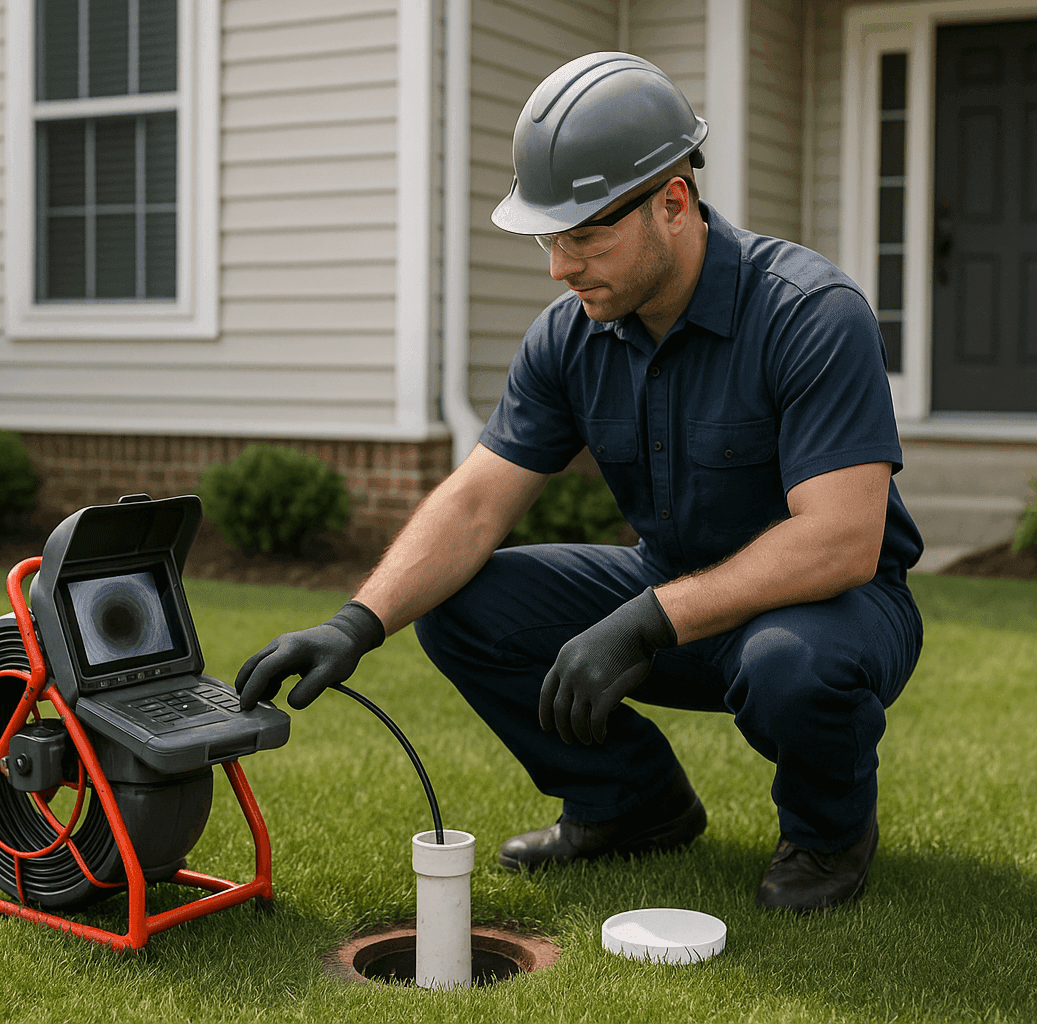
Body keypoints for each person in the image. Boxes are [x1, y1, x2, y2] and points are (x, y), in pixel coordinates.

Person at [235, 52, 924, 913]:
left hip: (836, 611)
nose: (560, 267)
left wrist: (644, 623)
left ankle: (826, 839)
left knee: (791, 663)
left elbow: (841, 540)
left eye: (585, 235)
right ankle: (630, 805)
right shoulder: (571, 336)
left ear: (673, 202)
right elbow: (479, 501)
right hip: (669, 585)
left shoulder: (810, 314)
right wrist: (356, 623)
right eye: (547, 239)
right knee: (462, 603)